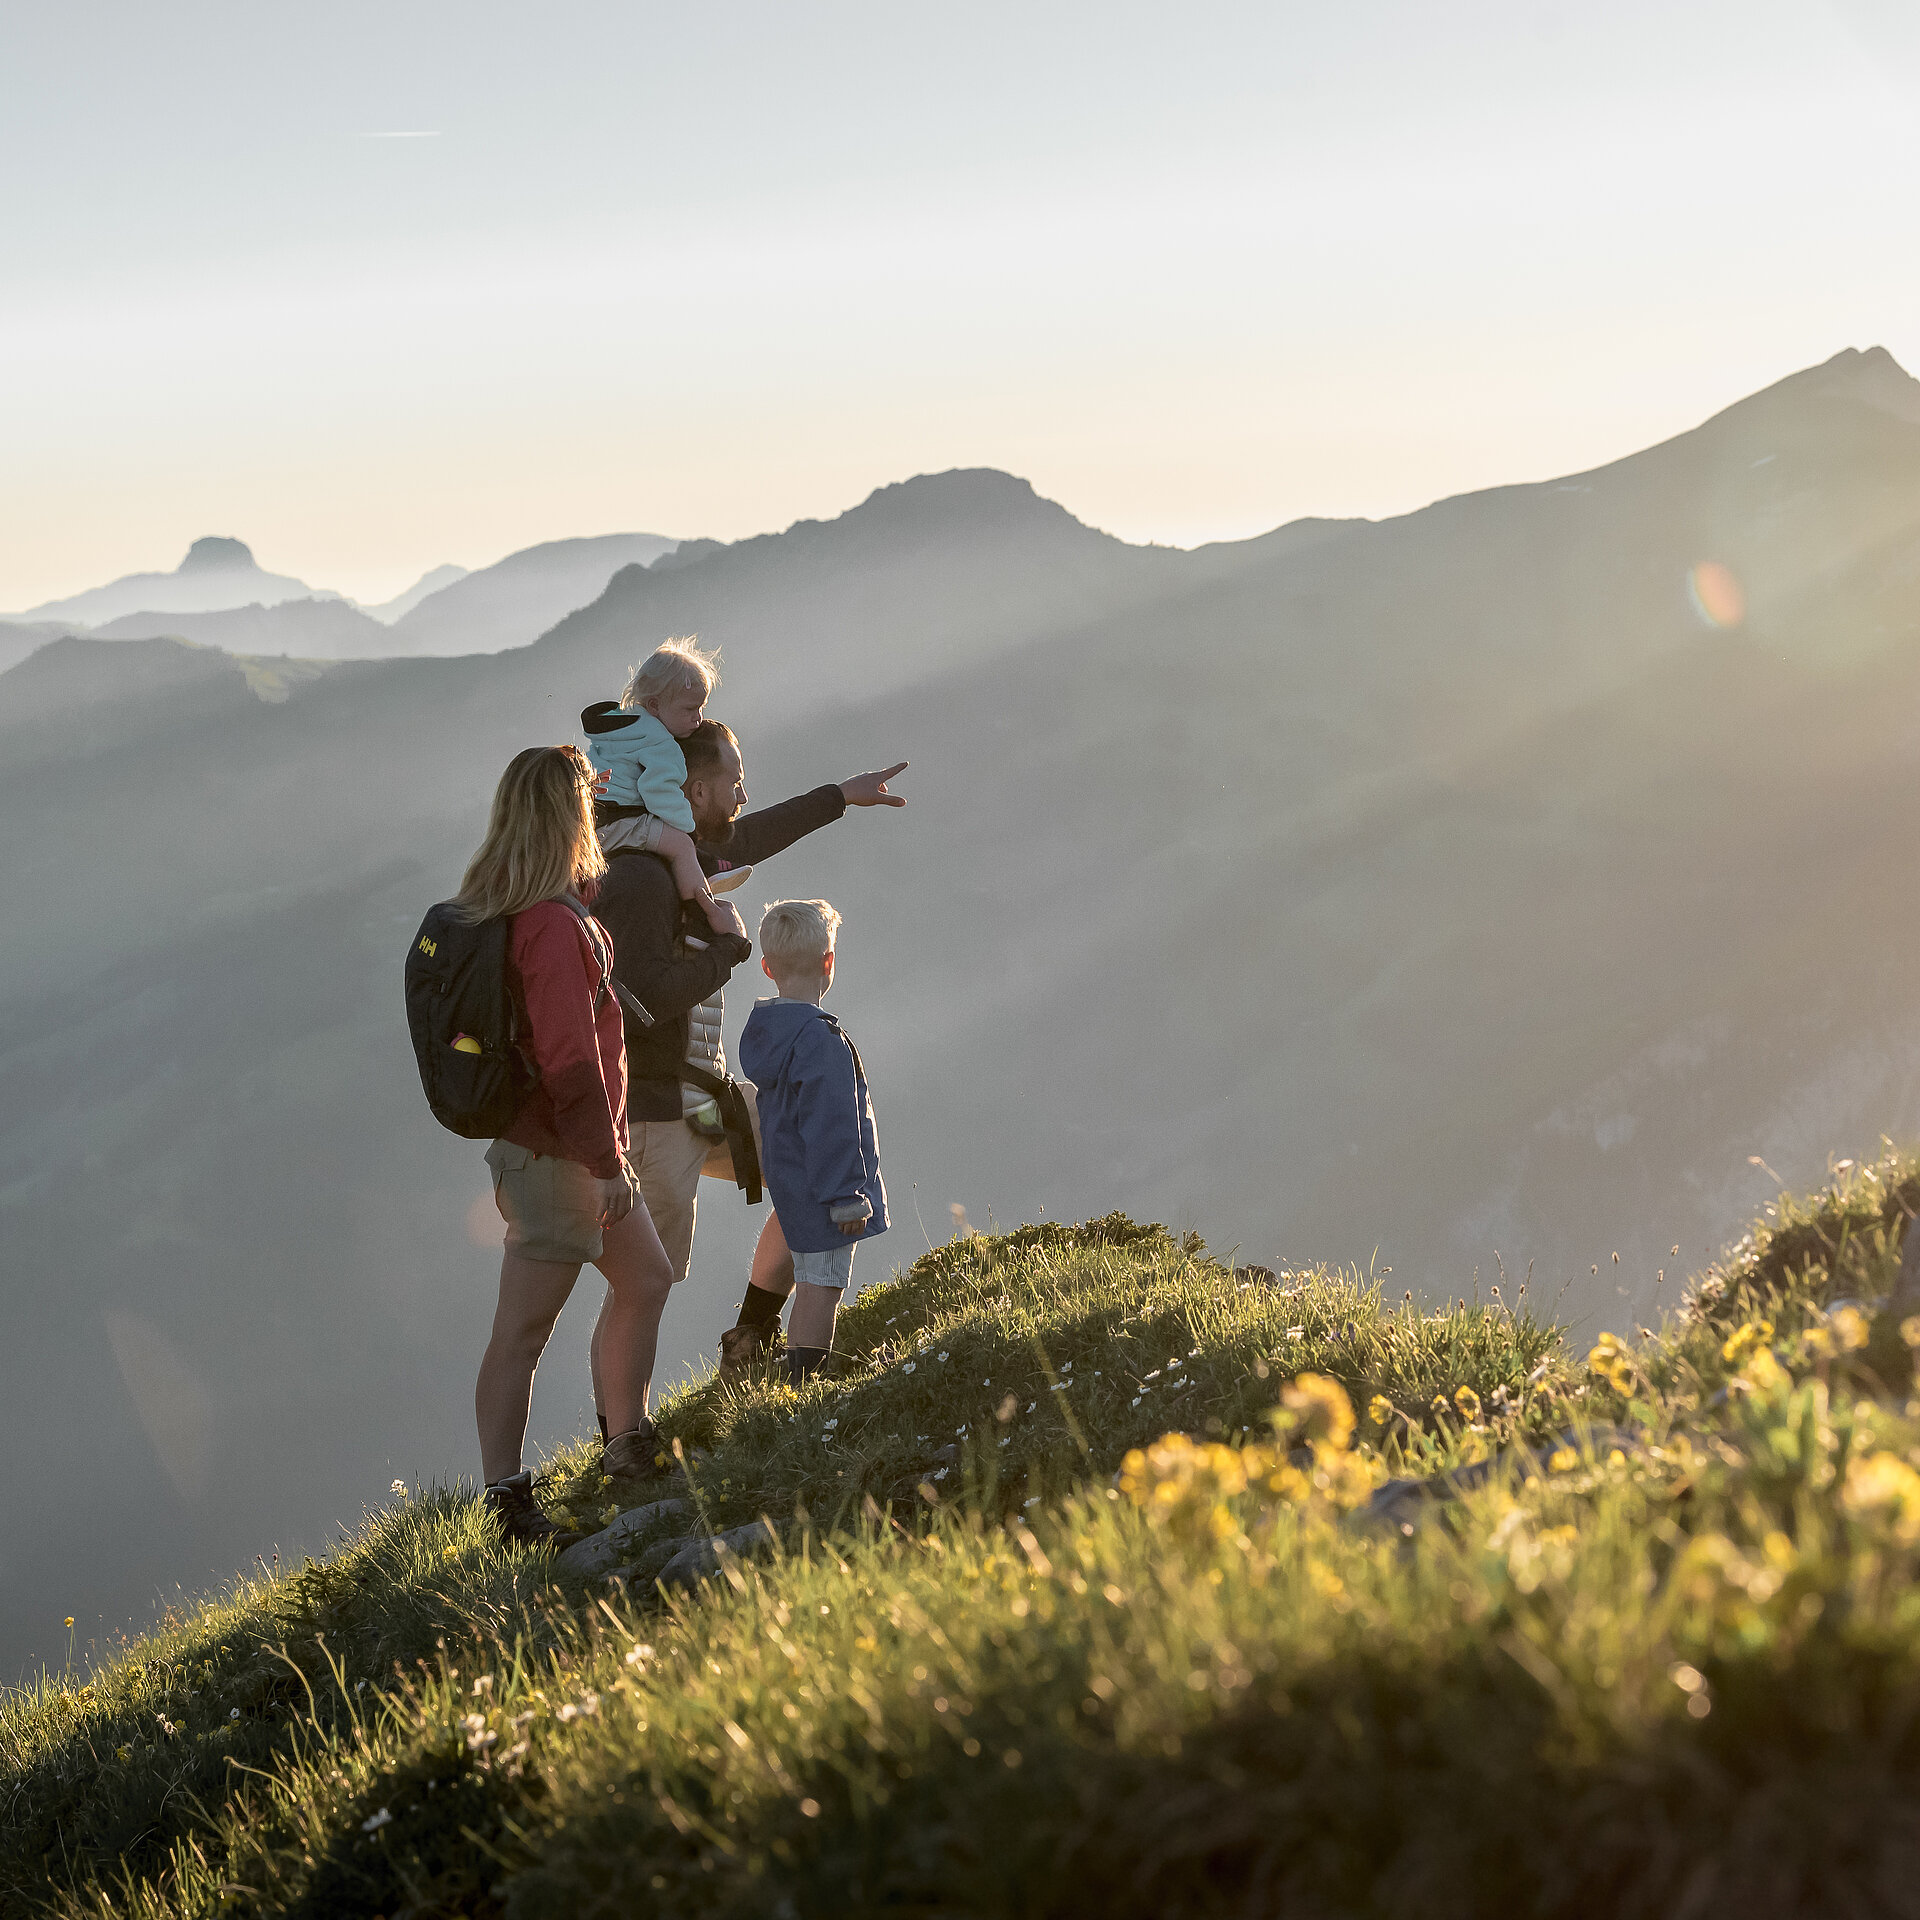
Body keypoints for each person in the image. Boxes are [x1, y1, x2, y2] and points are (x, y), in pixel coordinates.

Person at [585, 720, 908, 1419]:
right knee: (645, 1283)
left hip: (703, 1098)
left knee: (800, 1159)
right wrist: (726, 950)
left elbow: (751, 834)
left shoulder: (683, 856)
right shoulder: (640, 876)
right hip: (654, 1111)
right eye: (731, 777)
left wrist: (840, 797)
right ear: (692, 788)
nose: (742, 788)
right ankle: (625, 1437)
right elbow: (644, 1002)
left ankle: (753, 1334)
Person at [457, 745, 682, 1546]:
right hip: (561, 1159)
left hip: (570, 1153)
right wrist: (607, 1164)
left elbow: (581, 917)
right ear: (566, 820)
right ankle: (507, 1502)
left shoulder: (543, 909)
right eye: (583, 807)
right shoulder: (550, 928)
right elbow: (568, 1060)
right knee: (522, 1331)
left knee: (646, 1278)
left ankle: (626, 1448)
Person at [737, 899, 888, 1381]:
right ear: (829, 962)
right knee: (820, 1289)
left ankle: (750, 1349)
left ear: (767, 968)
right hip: (828, 1194)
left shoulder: (768, 1032)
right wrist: (847, 1197)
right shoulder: (821, 1040)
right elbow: (834, 1125)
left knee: (801, 1266)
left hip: (792, 1179)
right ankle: (803, 1390)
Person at [580, 637, 732, 934]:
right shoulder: (660, 742)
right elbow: (658, 792)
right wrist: (688, 829)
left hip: (592, 822)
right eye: (690, 709)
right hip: (618, 821)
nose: (698, 719)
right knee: (680, 846)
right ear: (654, 705)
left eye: (701, 708)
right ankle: (699, 914)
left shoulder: (622, 727)